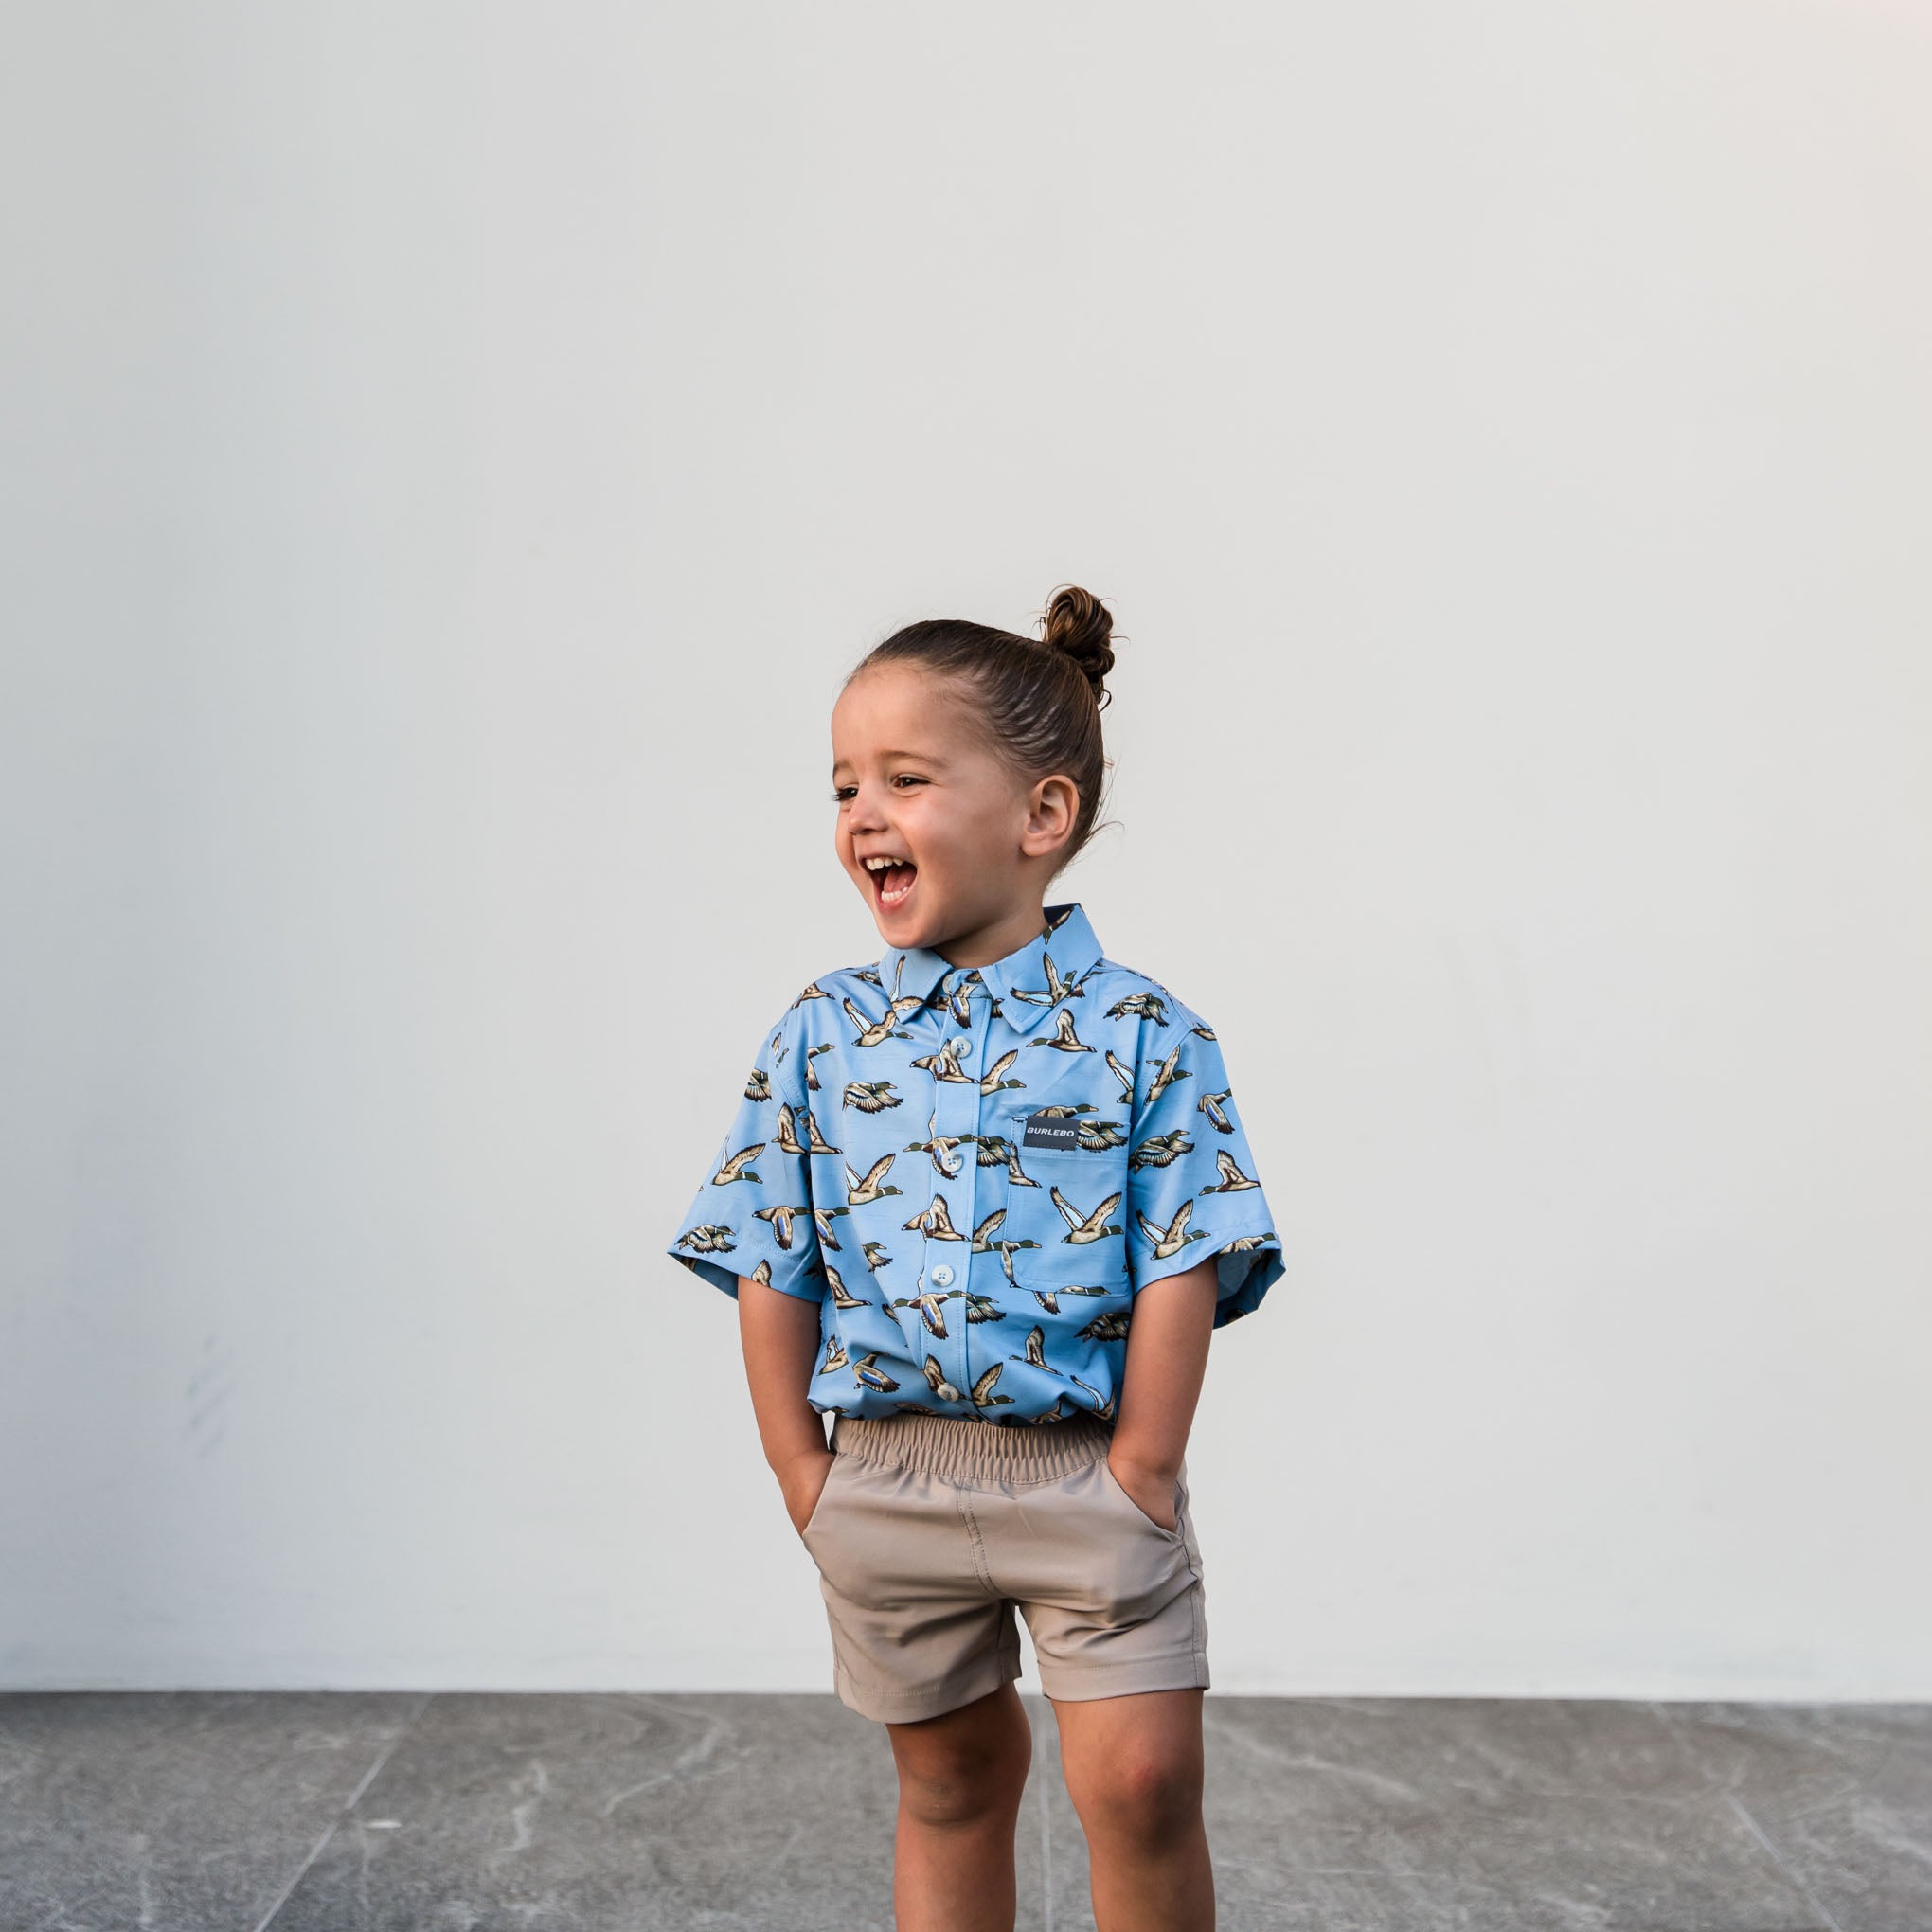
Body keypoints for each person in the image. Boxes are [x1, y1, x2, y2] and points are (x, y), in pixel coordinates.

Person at [667, 584, 1284, 1931]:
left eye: (905, 779)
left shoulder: (1147, 1037)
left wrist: (1144, 1470)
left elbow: (1187, 1255)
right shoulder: (821, 1036)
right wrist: (800, 1470)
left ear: (1040, 815)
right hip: (884, 1478)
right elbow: (771, 1250)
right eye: (845, 786)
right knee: (947, 1780)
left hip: (1084, 1476)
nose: (862, 816)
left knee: (1142, 1784)